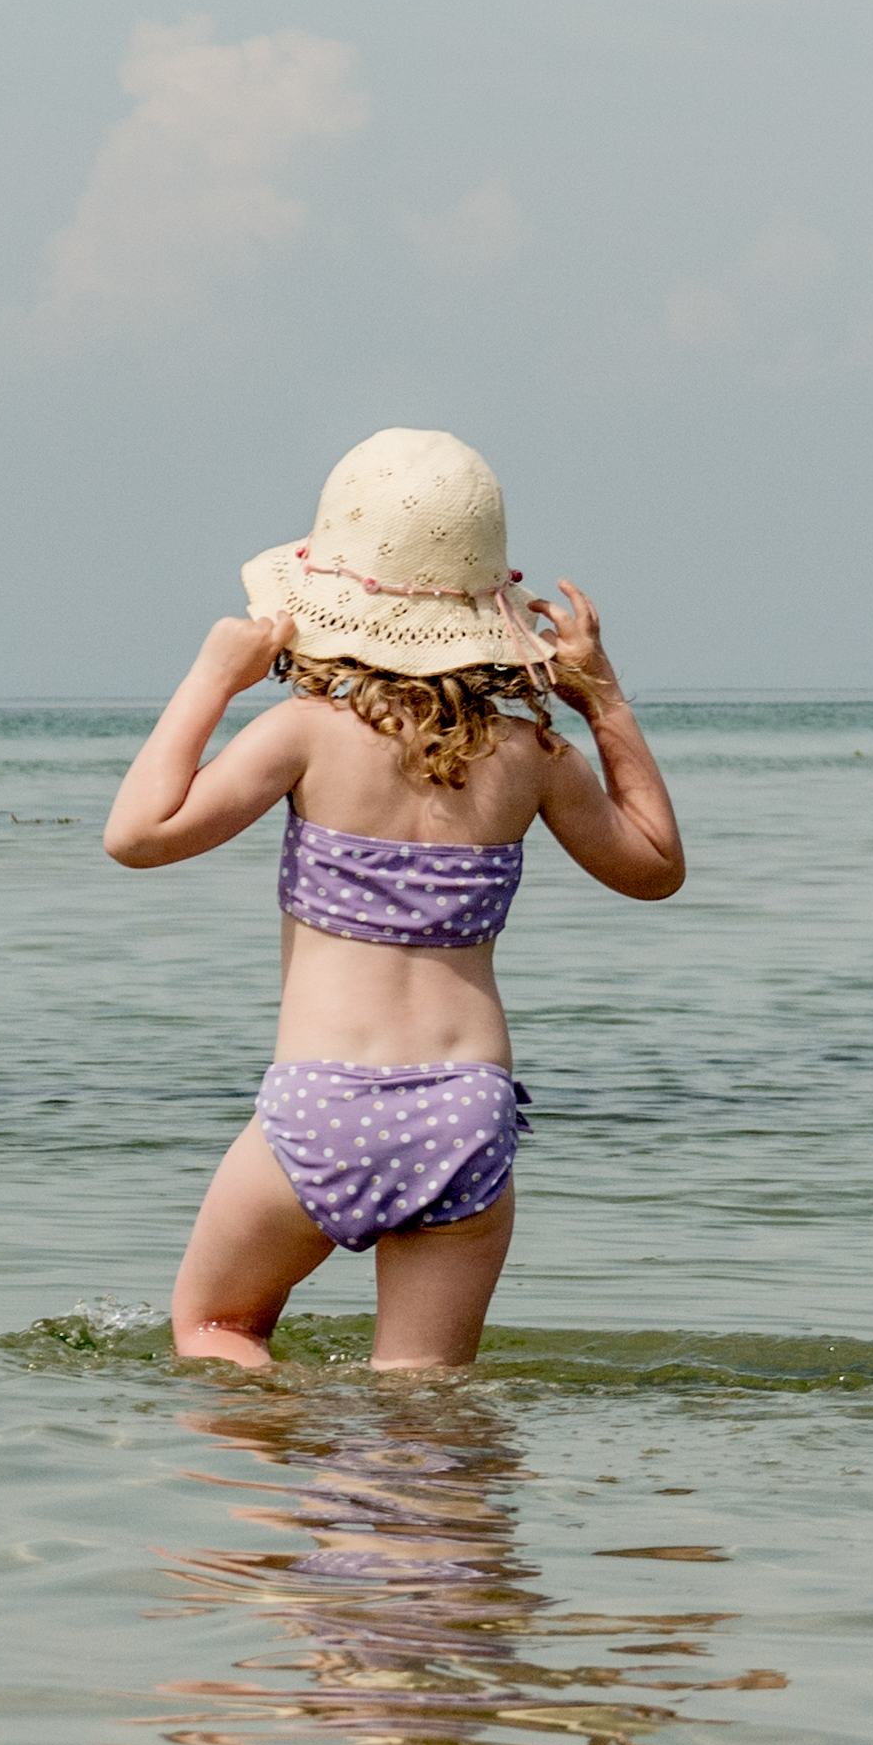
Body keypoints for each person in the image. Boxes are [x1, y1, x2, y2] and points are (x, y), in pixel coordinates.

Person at [100, 427, 685, 1374]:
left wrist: (213, 675)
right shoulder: (533, 758)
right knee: (425, 1399)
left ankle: (269, 1516)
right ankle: (416, 1519)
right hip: (467, 1107)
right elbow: (655, 864)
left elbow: (137, 835)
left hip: (326, 1096)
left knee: (219, 1330)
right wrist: (602, 698)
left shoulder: (305, 734)